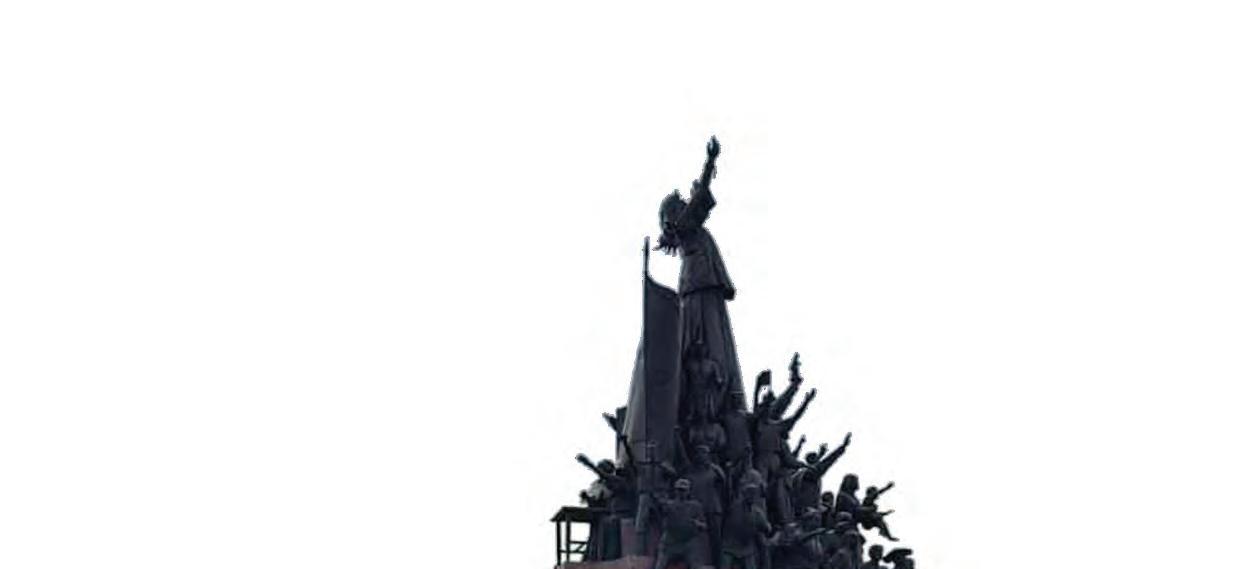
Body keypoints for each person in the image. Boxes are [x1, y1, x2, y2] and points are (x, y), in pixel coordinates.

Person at [655, 136, 744, 407]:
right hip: (698, 286)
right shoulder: (685, 226)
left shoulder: (690, 228)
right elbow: (701, 197)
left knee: (717, 338)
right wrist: (710, 162)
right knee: (706, 337)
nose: (687, 203)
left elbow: (700, 201)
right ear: (674, 213)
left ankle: (722, 391)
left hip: (704, 285)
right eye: (681, 203)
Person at [647, 479, 710, 569]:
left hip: (688, 544)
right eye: (679, 490)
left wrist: (698, 524)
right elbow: (659, 510)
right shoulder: (669, 505)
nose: (681, 493)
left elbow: (704, 526)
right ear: (675, 491)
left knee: (696, 565)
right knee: (659, 565)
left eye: (684, 490)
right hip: (670, 544)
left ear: (688, 491)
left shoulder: (695, 506)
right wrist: (656, 501)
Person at [788, 433, 852, 515]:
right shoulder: (809, 474)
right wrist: (842, 447)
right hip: (805, 512)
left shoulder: (800, 474)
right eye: (816, 459)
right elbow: (826, 462)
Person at [719, 484, 772, 569]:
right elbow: (767, 528)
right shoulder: (753, 512)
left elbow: (767, 528)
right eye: (751, 494)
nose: (752, 496)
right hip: (733, 549)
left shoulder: (755, 512)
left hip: (740, 549)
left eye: (754, 494)